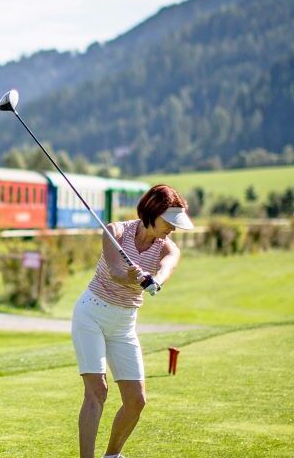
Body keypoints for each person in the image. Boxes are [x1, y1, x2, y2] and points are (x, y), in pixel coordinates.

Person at [72, 184, 193, 458]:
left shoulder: (167, 248)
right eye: (169, 222)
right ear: (153, 212)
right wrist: (131, 276)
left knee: (136, 401)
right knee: (97, 392)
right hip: (91, 314)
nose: (172, 229)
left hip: (124, 324)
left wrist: (154, 281)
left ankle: (112, 455)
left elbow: (166, 268)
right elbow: (115, 271)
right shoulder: (115, 232)